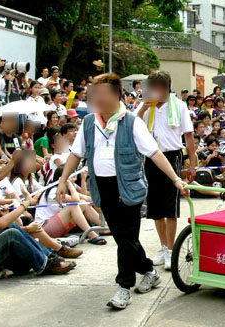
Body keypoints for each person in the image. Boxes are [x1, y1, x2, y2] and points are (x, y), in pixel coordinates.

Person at [57, 73, 187, 310]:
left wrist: (175, 178)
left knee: (125, 239)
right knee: (123, 238)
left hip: (128, 188)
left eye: (103, 94)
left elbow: (154, 153)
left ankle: (123, 288)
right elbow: (76, 154)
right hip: (103, 188)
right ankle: (149, 270)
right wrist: (63, 179)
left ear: (117, 95)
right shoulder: (89, 123)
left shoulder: (131, 122)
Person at [0, 169, 75, 284]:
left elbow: (2, 228)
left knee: (11, 227)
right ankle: (46, 264)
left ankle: (49, 257)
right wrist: (24, 205)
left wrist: (6, 215)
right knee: (10, 233)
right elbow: (1, 223)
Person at [136, 70, 197, 271]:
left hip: (172, 156)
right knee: (155, 207)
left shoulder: (179, 106)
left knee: (170, 206)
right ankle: (163, 246)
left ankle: (171, 249)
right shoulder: (147, 105)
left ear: (167, 88)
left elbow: (188, 137)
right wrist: (144, 106)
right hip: (152, 157)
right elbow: (133, 123)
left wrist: (192, 164)